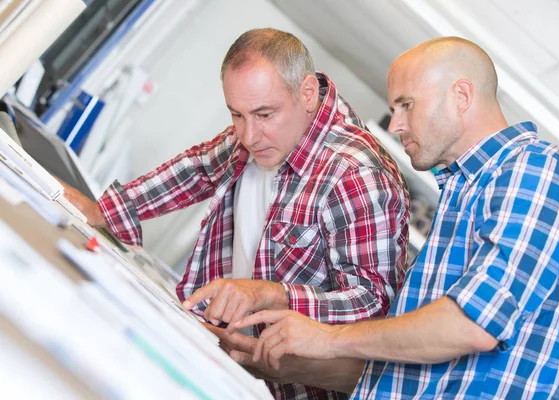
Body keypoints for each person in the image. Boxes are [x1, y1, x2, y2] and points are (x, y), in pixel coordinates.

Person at [231, 36, 559, 399]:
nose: (396, 124)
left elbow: (473, 324)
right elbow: (409, 379)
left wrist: (327, 338)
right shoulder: (468, 192)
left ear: (462, 96)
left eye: (407, 104)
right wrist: (275, 359)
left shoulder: (539, 172)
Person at [62, 28, 410, 399]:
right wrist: (106, 210)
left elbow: (372, 302)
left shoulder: (357, 175)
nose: (248, 135)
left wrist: (271, 294)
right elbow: (197, 169)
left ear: (308, 93)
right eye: (236, 115)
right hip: (220, 359)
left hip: (291, 390)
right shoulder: (261, 133)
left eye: (263, 114)